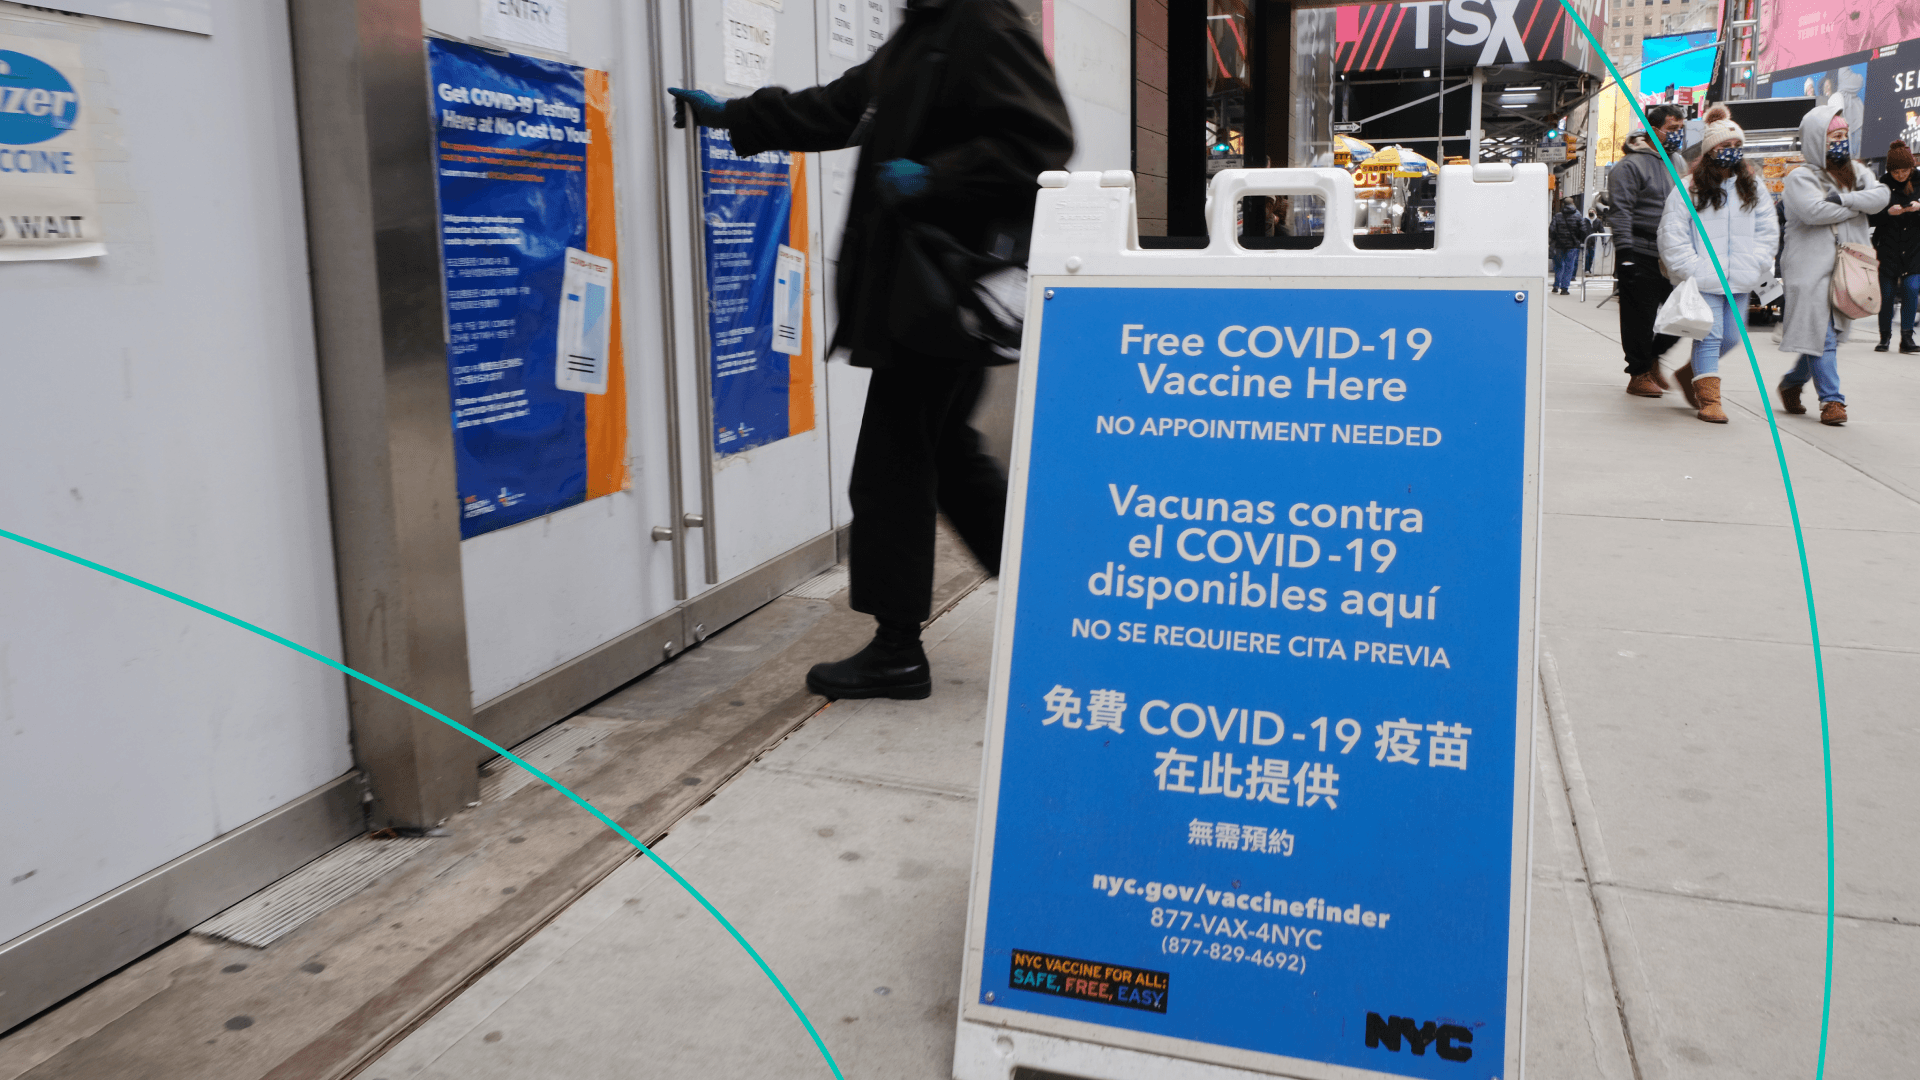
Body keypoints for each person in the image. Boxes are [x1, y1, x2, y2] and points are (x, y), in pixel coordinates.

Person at [668, 0, 1073, 699]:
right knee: (947, 456)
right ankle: (1059, 605)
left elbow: (1041, 139)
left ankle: (897, 651)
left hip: (941, 291)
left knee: (893, 464)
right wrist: (733, 115)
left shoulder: (980, 24)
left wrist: (938, 176)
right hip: (918, 293)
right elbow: (839, 108)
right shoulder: (927, 33)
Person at [1657, 117, 1778, 424]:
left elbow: (1767, 230)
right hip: (1703, 279)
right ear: (1711, 149)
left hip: (1740, 277)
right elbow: (1672, 232)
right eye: (1726, 145)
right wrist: (1691, 269)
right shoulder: (1689, 189)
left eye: (1738, 145)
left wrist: (1757, 262)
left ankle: (1690, 374)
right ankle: (1709, 399)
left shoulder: (1752, 188)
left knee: (1733, 338)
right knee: (1710, 336)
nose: (1733, 151)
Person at [1777, 104, 1888, 426]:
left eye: (1843, 135)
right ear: (1815, 140)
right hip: (1809, 268)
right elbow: (1813, 212)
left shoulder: (1858, 171)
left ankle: (1792, 382)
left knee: (1830, 335)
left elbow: (1881, 197)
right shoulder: (1800, 176)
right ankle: (1832, 401)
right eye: (1833, 136)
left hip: (1849, 266)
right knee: (1821, 335)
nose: (1841, 141)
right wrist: (1859, 207)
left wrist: (1844, 200)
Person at [1609, 104, 1689, 397]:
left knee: (1683, 313)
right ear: (1653, 131)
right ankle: (1639, 373)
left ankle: (1654, 355)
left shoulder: (1678, 163)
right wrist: (1625, 253)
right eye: (1672, 129)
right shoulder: (1629, 167)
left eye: (1681, 128)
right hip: (1640, 252)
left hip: (1674, 253)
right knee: (1639, 319)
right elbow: (1621, 212)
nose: (1677, 135)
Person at [1868, 140, 1920, 353]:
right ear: (1890, 170)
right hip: (1887, 246)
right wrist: (1887, 213)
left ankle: (1907, 338)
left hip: (1915, 246)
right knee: (1887, 294)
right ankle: (1884, 337)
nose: (1901, 175)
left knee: (1911, 288)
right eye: (1896, 171)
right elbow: (1869, 216)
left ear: (1912, 166)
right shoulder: (1881, 186)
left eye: (1905, 170)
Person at [1549, 199, 1589, 294]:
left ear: (1564, 204)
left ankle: (1556, 285)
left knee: (1559, 265)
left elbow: (1552, 229)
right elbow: (1583, 230)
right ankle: (1564, 288)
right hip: (1572, 245)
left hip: (1559, 244)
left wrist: (1555, 239)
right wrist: (1579, 240)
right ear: (1573, 204)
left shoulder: (1558, 215)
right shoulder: (1578, 216)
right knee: (1569, 266)